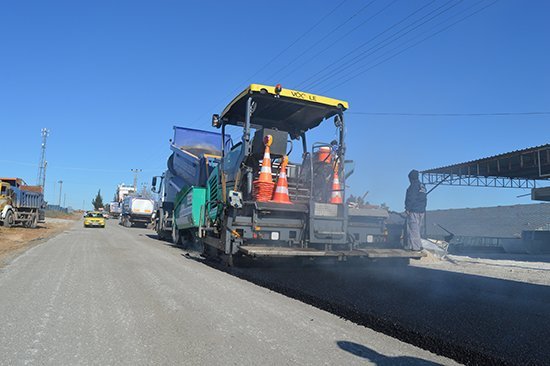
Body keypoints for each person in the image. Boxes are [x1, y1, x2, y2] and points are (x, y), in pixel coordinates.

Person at [404, 169, 427, 251]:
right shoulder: (422, 186)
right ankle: (419, 245)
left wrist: (407, 208)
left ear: (411, 178)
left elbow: (411, 198)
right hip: (421, 211)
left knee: (413, 229)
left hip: (414, 211)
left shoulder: (413, 186)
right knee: (417, 229)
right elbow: (424, 199)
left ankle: (415, 247)